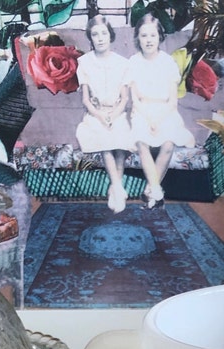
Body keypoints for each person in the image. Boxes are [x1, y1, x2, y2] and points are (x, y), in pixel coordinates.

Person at [128, 13, 195, 209]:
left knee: (167, 144)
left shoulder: (167, 62)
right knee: (142, 143)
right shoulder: (133, 62)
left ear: (160, 37)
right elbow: (135, 100)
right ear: (138, 38)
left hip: (166, 110)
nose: (148, 40)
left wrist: (159, 118)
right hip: (142, 111)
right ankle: (157, 193)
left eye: (152, 36)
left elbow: (173, 101)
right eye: (144, 36)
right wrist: (149, 119)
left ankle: (150, 189)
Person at [75, 15, 133, 214]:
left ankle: (114, 187)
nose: (100, 38)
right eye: (95, 34)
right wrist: (100, 115)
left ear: (111, 36)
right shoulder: (84, 63)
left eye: (103, 33)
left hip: (117, 112)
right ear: (90, 39)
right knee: (104, 140)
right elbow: (85, 100)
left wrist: (114, 114)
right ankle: (118, 188)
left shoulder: (123, 63)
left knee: (121, 141)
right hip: (95, 113)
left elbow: (125, 99)